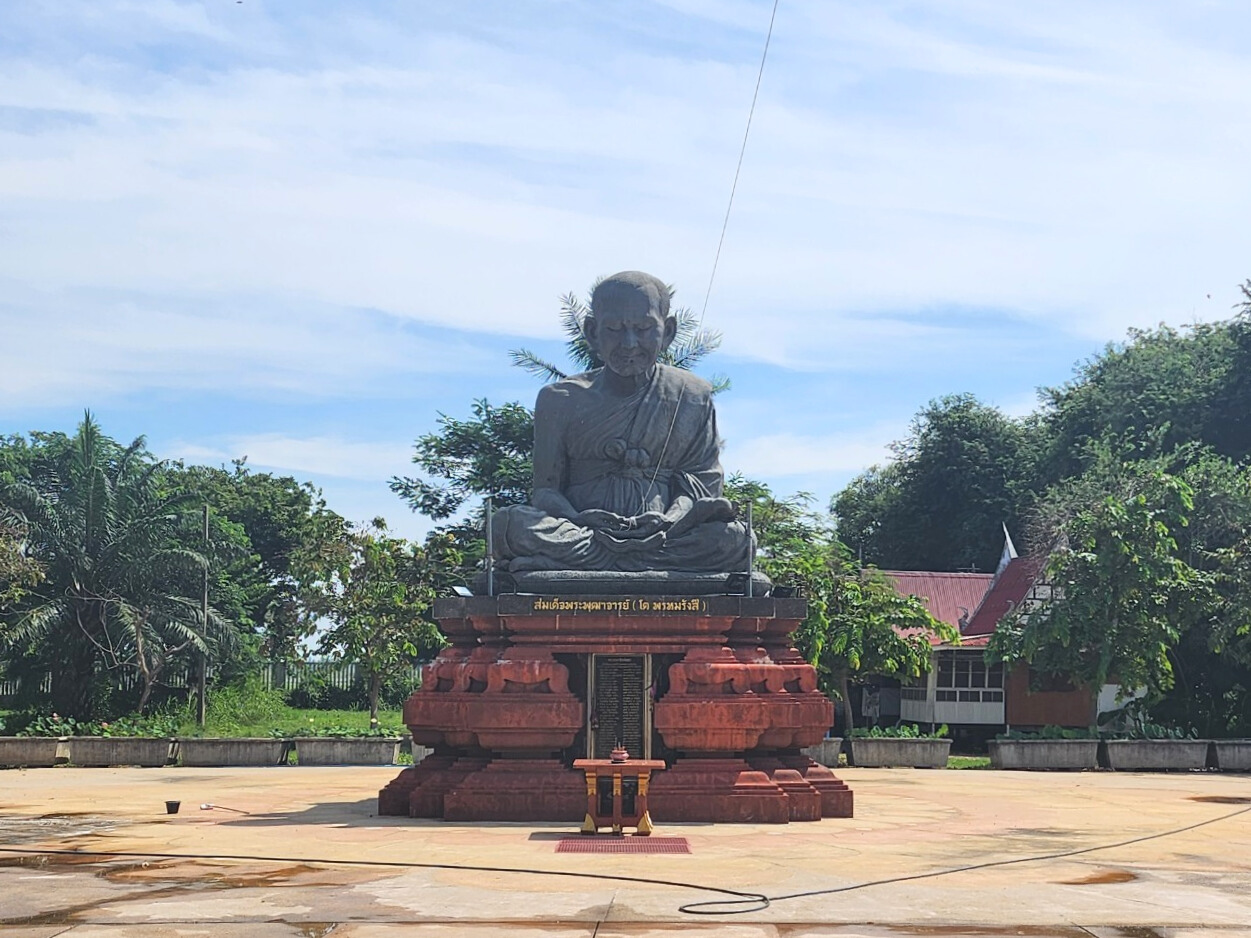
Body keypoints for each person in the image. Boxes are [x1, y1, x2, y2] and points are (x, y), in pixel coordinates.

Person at [491, 271, 752, 573]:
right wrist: (578, 518)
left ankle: (603, 567)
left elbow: (702, 486)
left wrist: (670, 520)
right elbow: (545, 491)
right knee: (508, 525)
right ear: (592, 332)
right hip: (584, 533)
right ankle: (637, 566)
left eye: (643, 329)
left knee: (735, 539)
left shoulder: (692, 395)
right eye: (614, 329)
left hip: (665, 536)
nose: (629, 343)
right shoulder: (560, 398)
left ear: (667, 331)